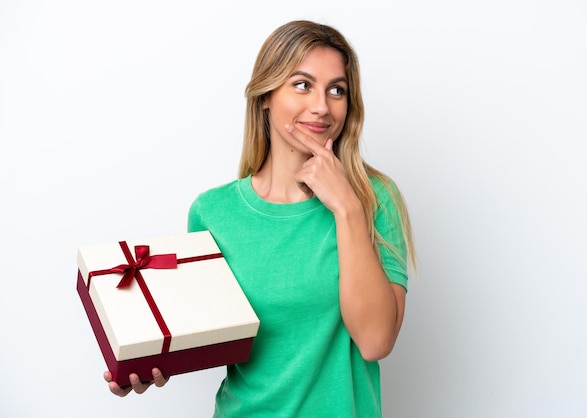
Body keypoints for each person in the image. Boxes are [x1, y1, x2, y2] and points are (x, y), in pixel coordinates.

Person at [104, 19, 417, 417]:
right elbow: (211, 337)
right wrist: (148, 365)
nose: (321, 106)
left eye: (336, 90)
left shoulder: (375, 200)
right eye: (302, 85)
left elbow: (376, 341)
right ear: (266, 95)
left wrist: (346, 206)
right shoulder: (212, 213)